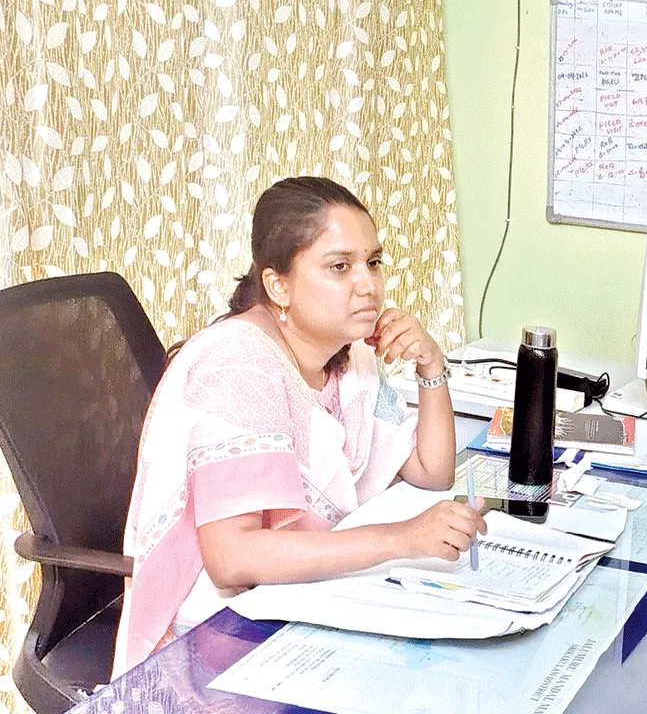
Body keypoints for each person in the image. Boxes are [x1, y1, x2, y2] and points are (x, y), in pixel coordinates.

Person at [112, 177, 486, 675]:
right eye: (339, 266)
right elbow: (232, 557)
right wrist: (403, 538)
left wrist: (431, 366)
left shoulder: (349, 355)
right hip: (216, 635)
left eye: (373, 262)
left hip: (302, 598)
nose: (368, 285)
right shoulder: (242, 365)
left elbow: (430, 470)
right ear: (278, 286)